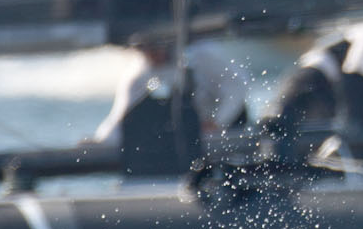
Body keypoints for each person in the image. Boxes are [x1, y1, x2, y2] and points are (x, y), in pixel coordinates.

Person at [88, 31, 250, 174]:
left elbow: (237, 87)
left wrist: (217, 122)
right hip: (183, 139)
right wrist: (100, 142)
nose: (151, 54)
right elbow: (121, 116)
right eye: (144, 49)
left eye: (154, 47)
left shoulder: (202, 55)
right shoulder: (137, 74)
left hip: (225, 132)